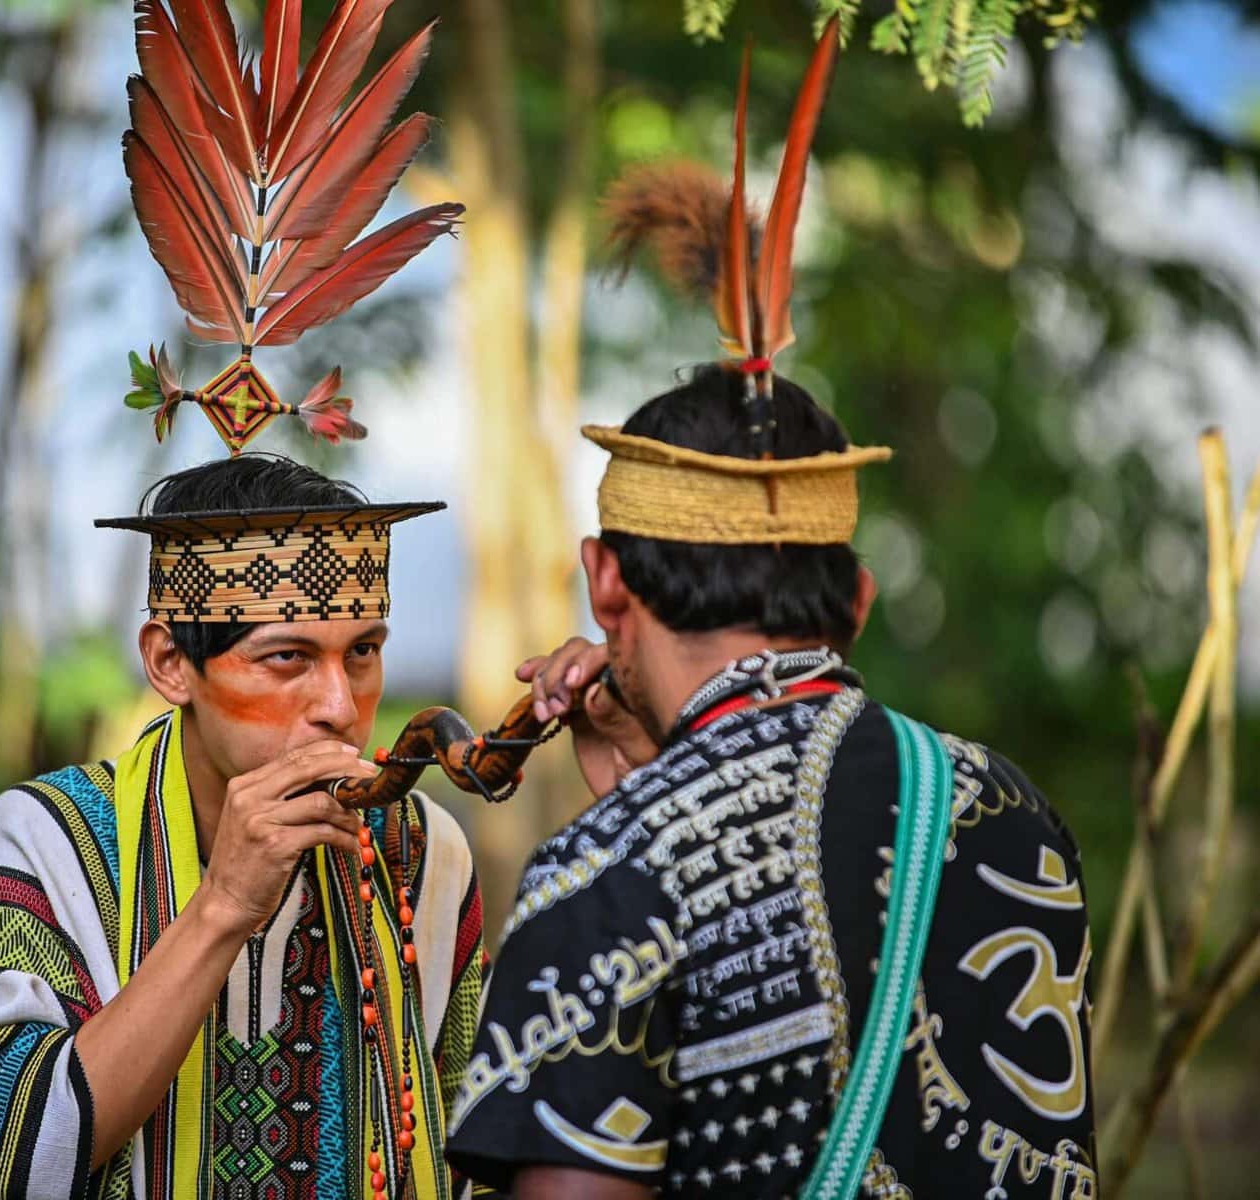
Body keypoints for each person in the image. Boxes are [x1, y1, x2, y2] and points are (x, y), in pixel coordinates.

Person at [444, 27, 1095, 1200]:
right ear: (853, 597)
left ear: (603, 581)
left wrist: (648, 810)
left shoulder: (608, 867)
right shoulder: (1008, 812)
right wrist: (659, 780)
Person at [0, 2, 483, 1197]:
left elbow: (479, 1150)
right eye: (286, 658)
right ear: (167, 660)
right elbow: (23, 1163)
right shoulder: (45, 844)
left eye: (364, 652)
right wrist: (220, 909)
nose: (338, 705)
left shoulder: (425, 856)